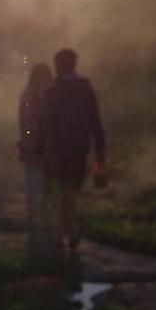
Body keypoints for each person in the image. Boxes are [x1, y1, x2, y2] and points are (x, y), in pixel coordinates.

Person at [38, 47, 106, 251]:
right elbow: (96, 122)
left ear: (58, 66)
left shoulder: (51, 92)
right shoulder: (86, 89)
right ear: (74, 64)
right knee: (70, 192)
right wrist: (100, 152)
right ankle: (70, 230)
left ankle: (61, 232)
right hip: (79, 149)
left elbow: (42, 124)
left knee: (53, 193)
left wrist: (36, 147)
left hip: (56, 150)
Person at [18, 62, 54, 232]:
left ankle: (33, 218)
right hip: (49, 146)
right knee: (48, 183)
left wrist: (26, 139)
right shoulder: (52, 94)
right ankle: (47, 218)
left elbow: (23, 121)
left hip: (30, 145)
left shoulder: (26, 95)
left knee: (32, 183)